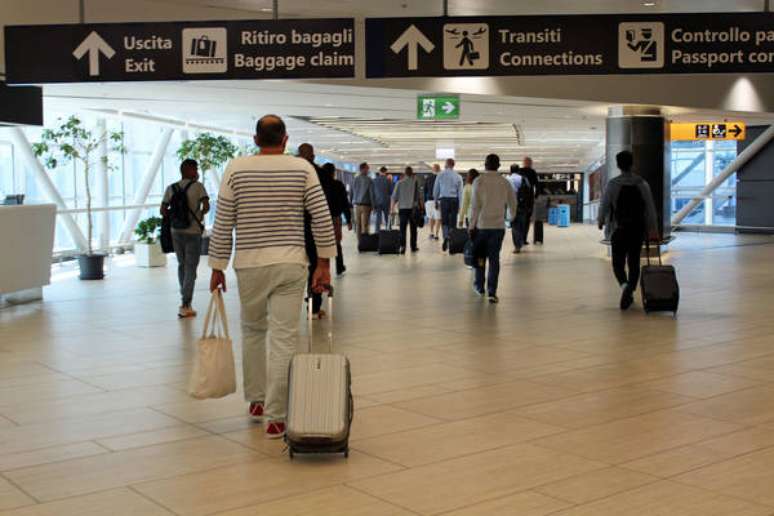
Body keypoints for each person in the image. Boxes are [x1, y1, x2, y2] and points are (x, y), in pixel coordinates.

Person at [208, 115, 336, 439]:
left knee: (252, 331)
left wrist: (217, 266)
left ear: (255, 139)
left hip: (249, 264)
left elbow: (223, 219)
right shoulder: (302, 169)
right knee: (283, 338)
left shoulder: (236, 169)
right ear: (285, 139)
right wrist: (324, 262)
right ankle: (276, 418)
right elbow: (321, 217)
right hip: (291, 263)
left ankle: (257, 399)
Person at [597, 150, 659, 311]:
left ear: (618, 165)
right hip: (637, 230)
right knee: (634, 262)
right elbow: (650, 208)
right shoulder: (642, 183)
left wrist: (600, 220)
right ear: (632, 164)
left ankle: (625, 286)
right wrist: (653, 229)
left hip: (619, 229)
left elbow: (604, 204)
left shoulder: (613, 184)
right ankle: (630, 289)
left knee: (618, 263)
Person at [160, 159, 209, 318]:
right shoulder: (198, 187)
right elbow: (206, 206)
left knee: (182, 265)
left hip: (176, 231)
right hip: (193, 231)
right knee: (190, 267)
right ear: (190, 170)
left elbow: (163, 210)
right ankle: (186, 302)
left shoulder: (171, 188)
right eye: (195, 169)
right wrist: (198, 216)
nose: (197, 172)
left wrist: (175, 218)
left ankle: (185, 299)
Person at [469, 154, 517, 304]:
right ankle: (492, 292)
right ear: (499, 165)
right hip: (498, 227)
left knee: (481, 257)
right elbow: (512, 203)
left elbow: (475, 206)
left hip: (482, 226)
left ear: (485, 165)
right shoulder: (505, 182)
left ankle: (479, 286)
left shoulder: (479, 181)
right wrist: (510, 218)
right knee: (494, 259)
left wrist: (471, 226)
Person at [326, 163, 352, 276]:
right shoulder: (338, 185)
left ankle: (323, 268)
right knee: (337, 243)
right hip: (335, 217)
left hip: (321, 219)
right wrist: (349, 219)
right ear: (334, 172)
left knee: (320, 244)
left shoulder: (319, 184)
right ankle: (339, 266)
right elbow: (344, 203)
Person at [433, 158, 464, 251]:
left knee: (445, 221)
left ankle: (446, 237)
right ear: (453, 165)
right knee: (453, 221)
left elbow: (436, 189)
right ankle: (452, 240)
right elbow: (460, 192)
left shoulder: (440, 175)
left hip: (444, 200)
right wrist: (460, 206)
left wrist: (435, 201)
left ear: (446, 164)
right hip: (454, 200)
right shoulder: (458, 176)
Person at [391, 166, 422, 254]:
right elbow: (418, 197)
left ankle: (402, 247)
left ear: (404, 173)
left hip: (402, 209)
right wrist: (421, 207)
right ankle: (413, 247)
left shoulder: (399, 183)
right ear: (412, 173)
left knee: (402, 229)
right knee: (413, 229)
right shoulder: (415, 182)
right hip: (413, 209)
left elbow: (394, 197)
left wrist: (392, 208)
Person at [510, 165, 533, 254]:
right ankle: (521, 241)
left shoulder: (508, 179)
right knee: (521, 225)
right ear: (518, 170)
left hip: (512, 206)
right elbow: (530, 192)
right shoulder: (524, 179)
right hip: (523, 206)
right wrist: (529, 206)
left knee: (514, 226)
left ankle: (517, 246)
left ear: (510, 170)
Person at [351, 162, 374, 236]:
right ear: (363, 169)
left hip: (356, 205)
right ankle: (365, 242)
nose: (368, 170)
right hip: (366, 206)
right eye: (367, 168)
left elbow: (351, 192)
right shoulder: (369, 180)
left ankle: (360, 241)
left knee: (358, 225)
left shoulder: (355, 179)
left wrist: (351, 202)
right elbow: (371, 194)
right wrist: (373, 205)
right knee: (365, 225)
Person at [521, 157, 540, 244]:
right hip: (529, 199)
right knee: (527, 219)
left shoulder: (518, 171)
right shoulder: (533, 172)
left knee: (519, 219)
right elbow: (537, 185)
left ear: (523, 163)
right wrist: (535, 196)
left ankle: (520, 239)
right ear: (530, 163)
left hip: (520, 199)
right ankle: (524, 239)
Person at [373, 166, 393, 231]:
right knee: (387, 217)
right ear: (385, 172)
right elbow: (391, 192)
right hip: (386, 201)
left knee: (378, 219)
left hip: (377, 201)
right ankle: (389, 230)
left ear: (379, 172)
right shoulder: (388, 181)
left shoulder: (374, 180)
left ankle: (377, 232)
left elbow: (372, 192)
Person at [424, 164, 441, 240]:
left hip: (429, 200)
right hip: (439, 200)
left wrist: (425, 200)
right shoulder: (441, 178)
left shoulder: (428, 178)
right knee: (438, 218)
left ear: (432, 170)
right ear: (439, 169)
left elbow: (425, 190)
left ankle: (431, 233)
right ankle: (437, 235)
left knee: (431, 217)